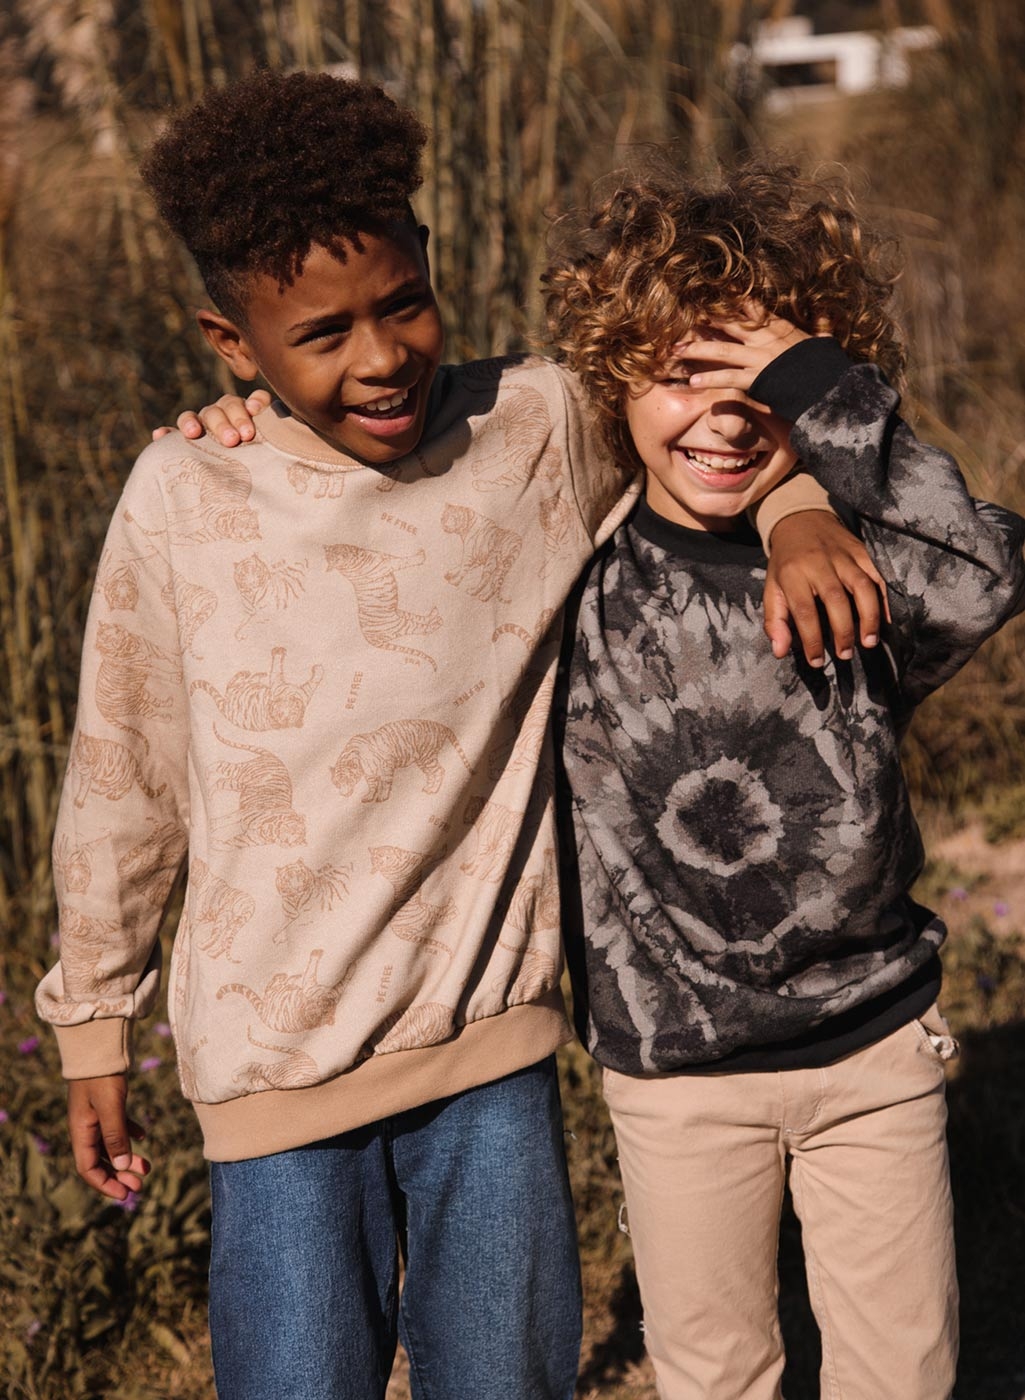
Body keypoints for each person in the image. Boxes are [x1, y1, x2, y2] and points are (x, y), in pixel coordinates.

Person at [36, 71, 880, 1400]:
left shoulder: (533, 431)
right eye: (320, 333)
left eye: (403, 303)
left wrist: (796, 514)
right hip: (273, 1083)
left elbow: (713, 431)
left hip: (486, 1052)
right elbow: (120, 775)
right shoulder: (182, 493)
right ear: (229, 343)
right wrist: (94, 1021)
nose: (380, 357)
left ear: (430, 264)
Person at [543, 157, 1025, 1400]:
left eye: (759, 381)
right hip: (675, 1069)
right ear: (612, 381)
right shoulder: (576, 573)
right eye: (678, 377)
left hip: (870, 1048)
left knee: (901, 1370)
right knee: (713, 1371)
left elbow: (979, 573)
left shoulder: (863, 567)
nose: (722, 417)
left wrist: (817, 433)